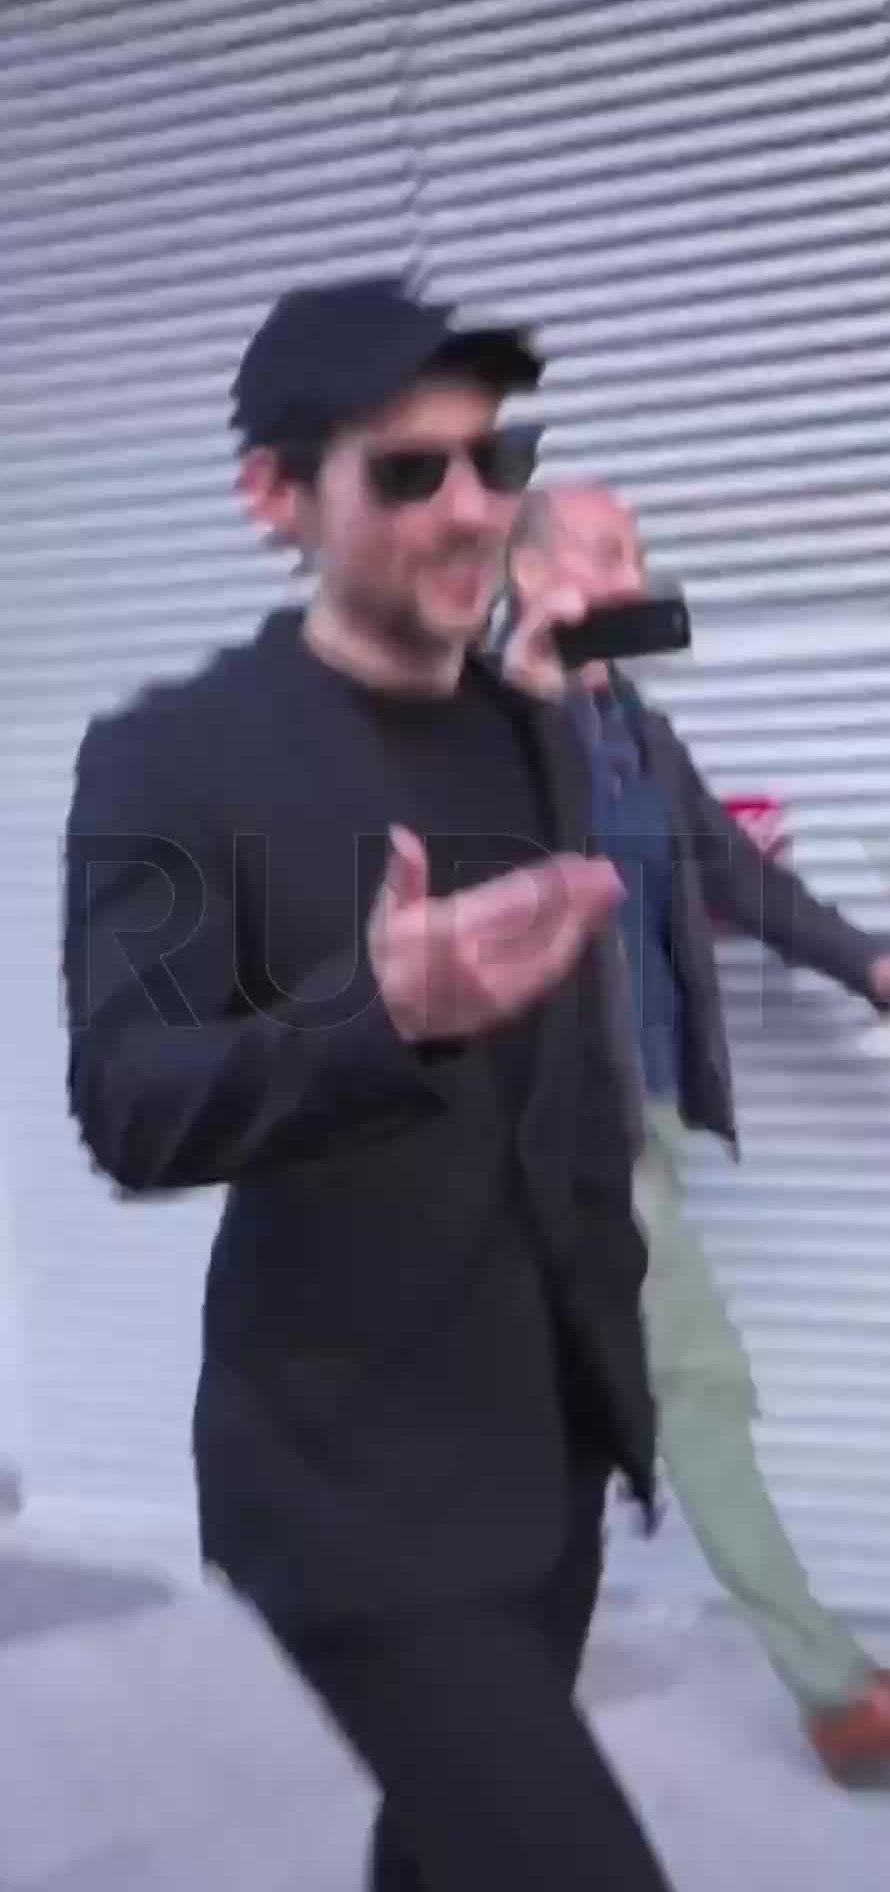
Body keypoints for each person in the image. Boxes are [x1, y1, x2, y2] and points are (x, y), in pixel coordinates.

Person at [62, 281, 678, 1892]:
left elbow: (560, 1086)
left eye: (495, 459)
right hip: (350, 1483)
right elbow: (132, 1100)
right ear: (276, 497)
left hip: (551, 1447)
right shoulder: (171, 757)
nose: (474, 506)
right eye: (409, 472)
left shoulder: (535, 734)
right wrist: (376, 1014)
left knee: (450, 1856)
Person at [502, 482, 890, 1783]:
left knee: (569, 1391)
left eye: (638, 551)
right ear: (533, 574)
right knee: (697, 1385)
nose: (636, 572)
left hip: (644, 1106)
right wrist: (528, 696)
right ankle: (836, 1696)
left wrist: (867, 962)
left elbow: (730, 871)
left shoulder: (639, 730)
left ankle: (481, 1656)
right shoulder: (480, 728)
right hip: (560, 1126)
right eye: (609, 552)